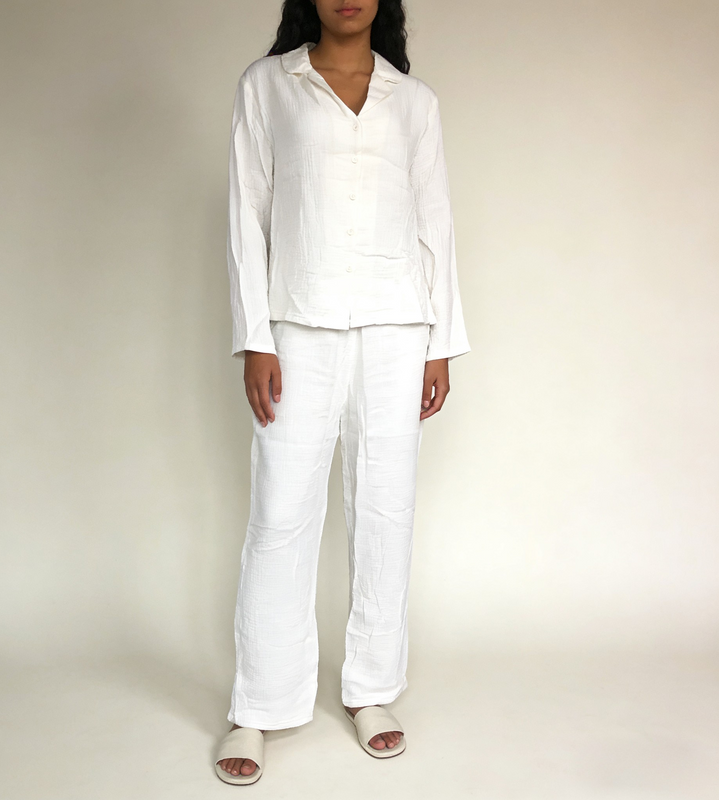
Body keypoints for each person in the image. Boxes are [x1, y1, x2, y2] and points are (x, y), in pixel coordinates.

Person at [215, 0, 471, 785]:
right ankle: (259, 703)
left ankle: (371, 690)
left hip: (397, 328)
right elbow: (247, 212)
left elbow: (435, 220)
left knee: (386, 508)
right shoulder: (269, 85)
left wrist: (440, 343)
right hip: (297, 321)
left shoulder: (413, 101)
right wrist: (255, 335)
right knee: (280, 512)